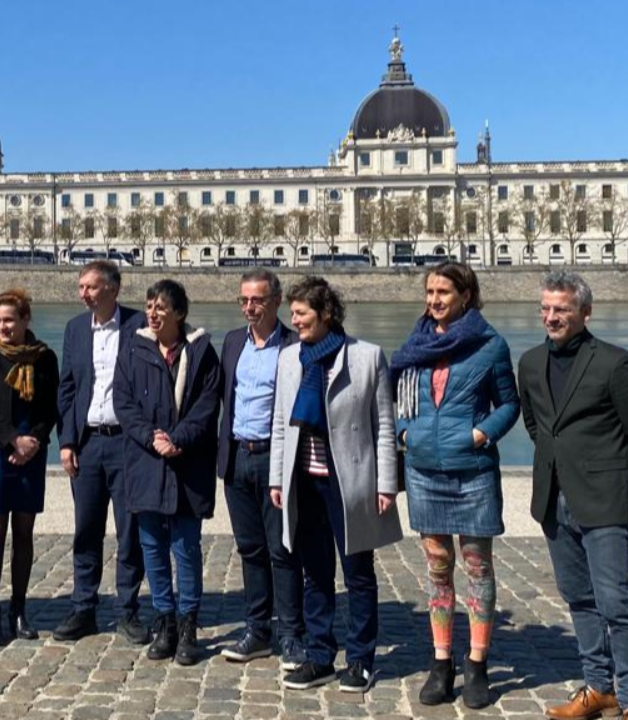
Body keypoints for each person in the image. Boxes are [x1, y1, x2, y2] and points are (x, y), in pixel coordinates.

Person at [519, 272, 628, 720]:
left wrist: (618, 479)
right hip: (553, 500)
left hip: (605, 500)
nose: (551, 317)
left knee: (616, 602)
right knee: (577, 597)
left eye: (561, 309)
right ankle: (598, 688)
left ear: (584, 312)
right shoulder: (529, 362)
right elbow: (536, 424)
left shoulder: (615, 363)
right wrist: (556, 462)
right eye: (545, 308)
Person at [390, 262, 520, 708]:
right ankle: (442, 661)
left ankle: (478, 661)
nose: (434, 300)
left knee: (477, 565)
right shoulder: (416, 344)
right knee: (437, 565)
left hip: (473, 471)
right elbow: (399, 397)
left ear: (466, 295)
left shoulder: (490, 346)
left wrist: (481, 434)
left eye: (443, 292)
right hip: (424, 470)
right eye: (429, 292)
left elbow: (509, 404)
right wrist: (406, 432)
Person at [268, 276, 403, 693]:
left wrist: (386, 484)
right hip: (303, 481)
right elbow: (280, 423)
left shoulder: (367, 357)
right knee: (315, 574)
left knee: (358, 574)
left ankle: (361, 659)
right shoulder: (290, 358)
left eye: (302, 313)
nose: (295, 320)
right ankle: (320, 654)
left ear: (326, 314)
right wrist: (276, 477)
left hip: (351, 483)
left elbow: (383, 425)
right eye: (292, 313)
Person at [114, 279, 221, 666]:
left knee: (186, 549)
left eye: (161, 307)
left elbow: (208, 407)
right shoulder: (134, 351)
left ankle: (188, 623)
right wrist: (151, 437)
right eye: (149, 306)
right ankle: (164, 621)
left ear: (179, 312)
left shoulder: (203, 353)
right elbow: (123, 404)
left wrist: (177, 439)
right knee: (152, 549)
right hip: (145, 462)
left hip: (187, 464)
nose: (153, 313)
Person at [53, 261, 149, 644]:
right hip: (87, 444)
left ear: (112, 288)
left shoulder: (140, 325)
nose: (83, 294)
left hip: (128, 444)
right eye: (81, 287)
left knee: (131, 532)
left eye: (90, 287)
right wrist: (66, 440)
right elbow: (67, 388)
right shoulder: (75, 329)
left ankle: (127, 610)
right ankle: (83, 608)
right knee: (86, 530)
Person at [216, 268, 306, 669]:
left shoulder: (293, 345)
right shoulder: (233, 341)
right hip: (237, 456)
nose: (249, 308)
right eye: (244, 300)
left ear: (276, 301)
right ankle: (257, 629)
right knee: (250, 549)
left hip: (276, 458)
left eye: (257, 300)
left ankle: (291, 633)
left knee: (283, 549)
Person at [0, 289, 59, 646]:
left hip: (32, 453)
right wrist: (12, 440)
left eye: (9, 320)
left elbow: (50, 407)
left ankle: (18, 610)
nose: (2, 327)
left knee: (24, 532)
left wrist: (32, 441)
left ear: (25, 320)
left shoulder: (45, 358)